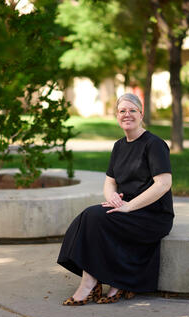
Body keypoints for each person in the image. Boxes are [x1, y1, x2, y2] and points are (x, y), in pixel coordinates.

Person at [57, 93, 174, 306]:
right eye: (122, 111)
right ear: (117, 116)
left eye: (132, 110)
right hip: (127, 207)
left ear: (141, 114)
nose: (127, 114)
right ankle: (99, 279)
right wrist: (112, 198)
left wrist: (129, 206)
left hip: (152, 213)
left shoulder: (154, 144)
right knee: (89, 216)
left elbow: (163, 184)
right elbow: (110, 181)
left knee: (94, 216)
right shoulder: (119, 145)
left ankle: (89, 282)